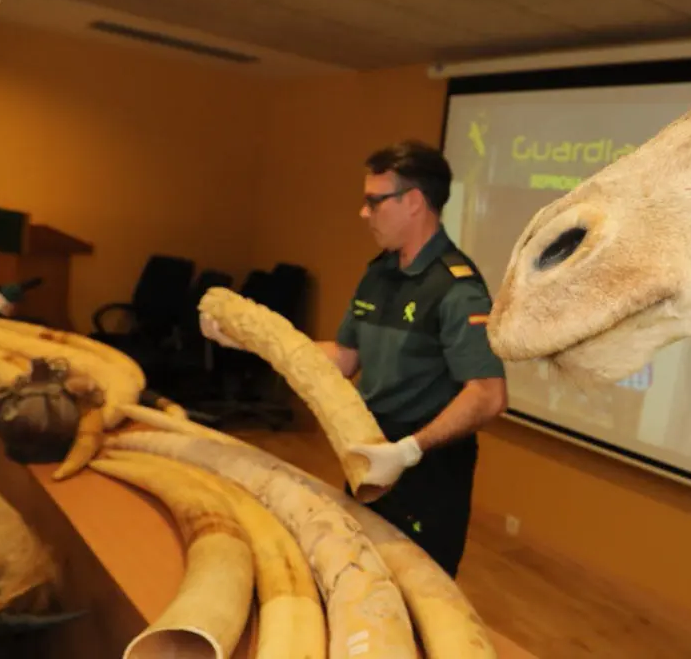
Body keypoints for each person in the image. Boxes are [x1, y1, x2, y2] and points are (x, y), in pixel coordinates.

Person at [201, 139, 507, 577]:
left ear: (414, 202)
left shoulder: (456, 288)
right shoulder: (379, 273)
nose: (364, 213)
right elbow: (344, 358)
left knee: (419, 590)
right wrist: (249, 341)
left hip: (426, 469)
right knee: (362, 575)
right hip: (365, 448)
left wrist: (408, 451)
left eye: (375, 202)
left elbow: (488, 395)